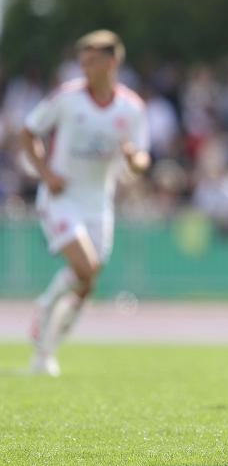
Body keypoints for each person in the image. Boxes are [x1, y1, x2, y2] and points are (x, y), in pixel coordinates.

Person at [21, 30, 150, 376]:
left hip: (98, 203)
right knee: (85, 267)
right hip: (61, 199)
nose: (84, 68)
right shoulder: (67, 98)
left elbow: (141, 159)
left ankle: (45, 346)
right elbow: (28, 131)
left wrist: (133, 159)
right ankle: (46, 317)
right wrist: (46, 174)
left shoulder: (131, 107)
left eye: (91, 61)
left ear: (112, 62)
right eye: (82, 62)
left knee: (87, 282)